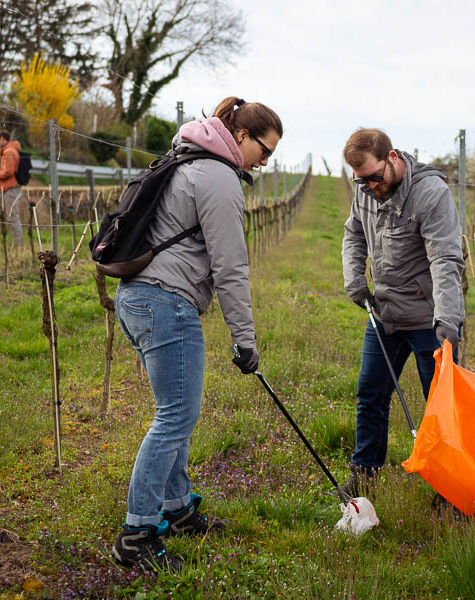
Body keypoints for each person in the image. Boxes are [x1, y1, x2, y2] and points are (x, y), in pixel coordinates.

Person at [111, 96, 282, 573]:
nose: (266, 162)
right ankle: (136, 533)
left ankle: (178, 509)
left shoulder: (186, 157)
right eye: (264, 151)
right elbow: (231, 267)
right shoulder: (218, 176)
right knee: (174, 418)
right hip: (166, 302)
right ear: (241, 137)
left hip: (138, 298)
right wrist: (245, 339)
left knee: (176, 414)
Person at [339, 128, 464, 498]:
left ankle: (450, 488)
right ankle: (365, 471)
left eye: (374, 177)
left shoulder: (431, 194)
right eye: (361, 181)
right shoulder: (366, 191)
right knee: (370, 392)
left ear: (392, 158)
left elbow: (445, 258)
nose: (370, 187)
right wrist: (354, 278)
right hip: (385, 313)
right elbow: (353, 234)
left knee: (441, 405)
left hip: (429, 319)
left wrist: (448, 319)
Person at [0, 129, 23, 244]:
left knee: (13, 215)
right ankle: (17, 242)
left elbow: (8, 172)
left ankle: (18, 243)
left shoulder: (9, 152)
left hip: (11, 188)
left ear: (2, 138)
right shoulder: (10, 150)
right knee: (12, 215)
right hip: (11, 187)